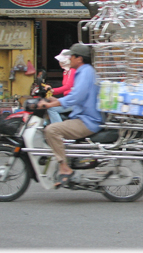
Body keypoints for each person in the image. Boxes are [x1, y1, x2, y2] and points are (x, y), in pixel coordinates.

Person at [38, 43, 103, 187]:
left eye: (71, 56)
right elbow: (75, 95)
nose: (69, 59)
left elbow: (76, 97)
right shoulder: (85, 71)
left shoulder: (85, 71)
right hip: (84, 116)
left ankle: (65, 168)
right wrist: (56, 100)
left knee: (51, 130)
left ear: (79, 58)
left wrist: (51, 104)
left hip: (87, 120)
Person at [44, 49, 77, 123]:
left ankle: (58, 128)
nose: (60, 63)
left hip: (73, 100)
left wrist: (53, 91)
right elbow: (65, 87)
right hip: (68, 98)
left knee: (51, 109)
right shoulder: (66, 72)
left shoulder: (72, 70)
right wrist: (52, 91)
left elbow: (68, 86)